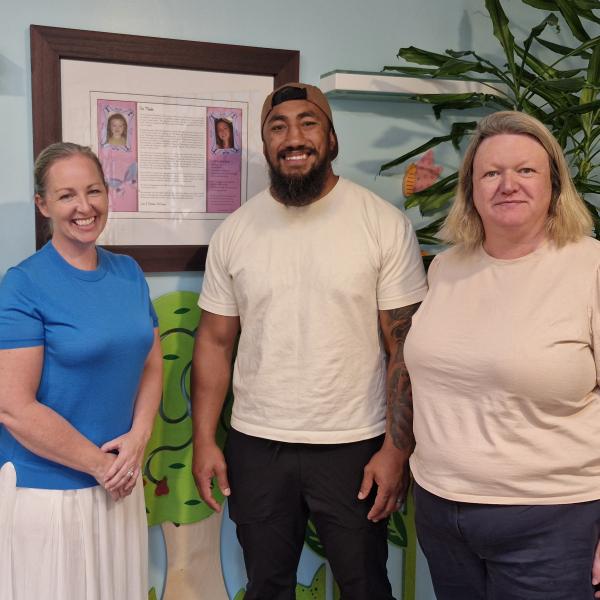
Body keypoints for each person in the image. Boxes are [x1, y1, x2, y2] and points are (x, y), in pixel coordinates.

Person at [192, 82, 427, 599]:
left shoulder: (382, 224)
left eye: (308, 123)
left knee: (365, 586)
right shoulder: (235, 232)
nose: (293, 137)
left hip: (354, 443)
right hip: (257, 443)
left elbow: (405, 346)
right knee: (266, 586)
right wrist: (205, 439)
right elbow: (213, 342)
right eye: (278, 127)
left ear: (332, 138)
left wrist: (396, 447)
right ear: (266, 144)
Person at [404, 110, 600, 600]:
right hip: (442, 511)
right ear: (471, 188)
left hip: (554, 520)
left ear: (554, 183)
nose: (507, 184)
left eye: (526, 170)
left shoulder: (589, 266)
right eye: (491, 173)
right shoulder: (446, 268)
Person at [0, 142, 162, 599]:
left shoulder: (128, 272)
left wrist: (139, 436)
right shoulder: (24, 284)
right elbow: (13, 408)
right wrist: (100, 466)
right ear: (43, 205)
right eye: (67, 194)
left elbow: (152, 360)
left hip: (117, 485)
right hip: (49, 493)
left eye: (94, 191)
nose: (84, 206)